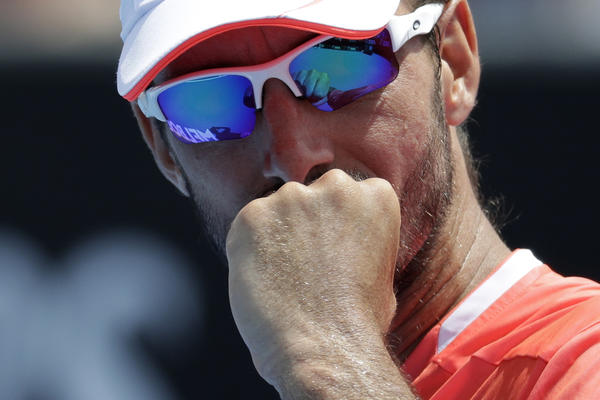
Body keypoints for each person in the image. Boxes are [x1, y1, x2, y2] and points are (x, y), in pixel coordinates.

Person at [117, 0, 600, 398]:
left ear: (454, 59)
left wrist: (326, 359)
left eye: (341, 65)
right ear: (163, 148)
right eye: (208, 101)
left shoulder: (582, 360)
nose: (292, 158)